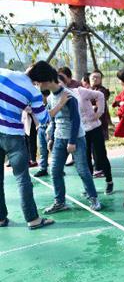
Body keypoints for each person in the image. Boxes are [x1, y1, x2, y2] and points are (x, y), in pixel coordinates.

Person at [37, 66, 102, 214]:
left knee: (83, 170)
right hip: (59, 138)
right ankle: (59, 202)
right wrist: (51, 138)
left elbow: (75, 120)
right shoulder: (51, 97)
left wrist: (72, 141)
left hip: (76, 139)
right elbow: (53, 119)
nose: (38, 85)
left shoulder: (69, 96)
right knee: (55, 171)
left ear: (47, 81)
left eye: (39, 82)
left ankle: (93, 198)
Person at [0, 64, 52, 229]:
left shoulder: (3, 73)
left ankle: (0, 218)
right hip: (14, 137)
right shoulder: (34, 93)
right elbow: (44, 119)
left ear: (31, 67)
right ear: (41, 80)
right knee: (23, 180)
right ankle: (33, 219)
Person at [74, 79, 114, 195]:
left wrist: (99, 112)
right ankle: (90, 186)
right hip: (82, 131)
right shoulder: (62, 95)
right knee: (86, 158)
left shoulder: (80, 91)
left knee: (101, 156)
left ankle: (109, 181)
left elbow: (100, 95)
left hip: (95, 127)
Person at [90, 70, 111, 143]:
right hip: (90, 121)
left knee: (98, 144)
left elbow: (97, 106)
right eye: (93, 77)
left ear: (101, 80)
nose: (95, 79)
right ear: (90, 78)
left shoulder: (101, 91)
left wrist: (91, 107)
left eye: (97, 77)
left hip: (100, 121)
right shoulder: (89, 89)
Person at [33, 89, 51, 177]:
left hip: (50, 129)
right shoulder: (40, 105)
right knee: (42, 150)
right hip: (41, 129)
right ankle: (43, 168)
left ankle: (58, 169)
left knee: (53, 149)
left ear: (45, 96)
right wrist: (37, 126)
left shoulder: (51, 104)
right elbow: (35, 115)